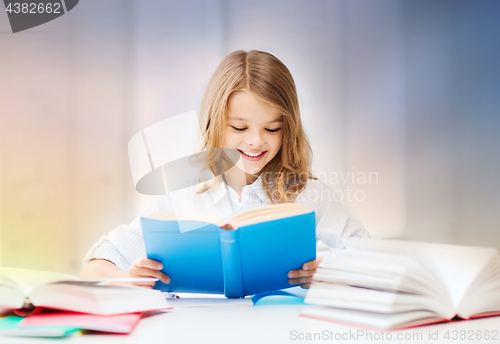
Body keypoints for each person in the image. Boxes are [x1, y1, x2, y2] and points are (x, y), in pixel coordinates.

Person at [81, 50, 369, 289]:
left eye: (272, 128)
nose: (256, 141)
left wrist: (334, 273)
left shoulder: (308, 193)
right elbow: (96, 266)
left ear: (288, 129)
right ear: (214, 124)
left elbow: (374, 260)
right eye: (239, 127)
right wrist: (130, 282)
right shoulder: (183, 191)